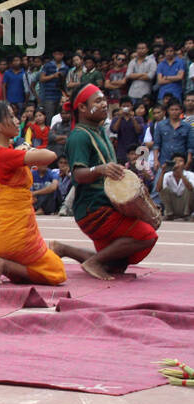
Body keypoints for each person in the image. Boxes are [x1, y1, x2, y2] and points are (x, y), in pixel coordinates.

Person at [58, 83, 158, 280]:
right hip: (94, 209)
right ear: (83, 108)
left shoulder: (101, 131)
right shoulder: (79, 136)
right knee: (147, 235)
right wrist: (101, 169)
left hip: (107, 205)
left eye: (104, 100)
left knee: (116, 265)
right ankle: (93, 262)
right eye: (98, 101)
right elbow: (78, 174)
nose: (104, 104)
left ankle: (63, 249)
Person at [0, 101, 66, 286]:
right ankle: (0, 263)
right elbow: (50, 156)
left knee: (41, 268)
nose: (17, 121)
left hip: (8, 228)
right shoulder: (3, 154)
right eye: (10, 116)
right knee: (56, 272)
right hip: (13, 233)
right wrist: (28, 149)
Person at [160, 154, 194, 220]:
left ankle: (186, 214)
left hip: (185, 204)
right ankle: (170, 214)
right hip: (173, 204)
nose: (177, 163)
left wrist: (181, 173)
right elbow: (159, 189)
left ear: (184, 164)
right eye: (175, 161)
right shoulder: (167, 175)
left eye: (180, 161)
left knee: (190, 189)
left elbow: (191, 188)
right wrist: (162, 172)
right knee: (164, 189)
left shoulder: (191, 174)